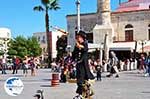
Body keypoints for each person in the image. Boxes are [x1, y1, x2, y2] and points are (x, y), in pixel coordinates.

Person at [72, 31, 95, 98]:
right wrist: (72, 58)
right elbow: (74, 54)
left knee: (81, 80)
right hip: (78, 64)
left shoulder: (85, 43)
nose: (77, 38)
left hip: (83, 64)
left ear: (82, 38)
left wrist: (80, 46)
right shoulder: (77, 45)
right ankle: (84, 92)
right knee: (80, 80)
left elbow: (85, 49)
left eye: (78, 37)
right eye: (77, 37)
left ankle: (85, 92)